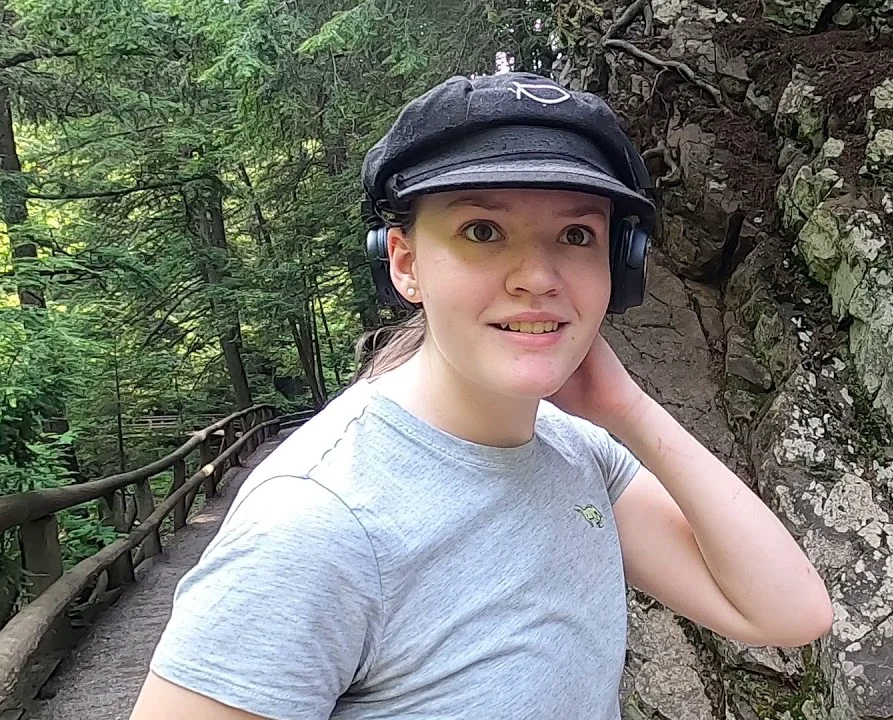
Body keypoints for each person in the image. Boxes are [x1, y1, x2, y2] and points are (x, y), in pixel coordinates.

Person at [129, 72, 831, 720]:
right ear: (405, 263)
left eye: (577, 235)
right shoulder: (318, 521)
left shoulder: (577, 452)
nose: (538, 277)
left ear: (619, 269)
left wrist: (629, 410)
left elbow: (786, 612)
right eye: (482, 231)